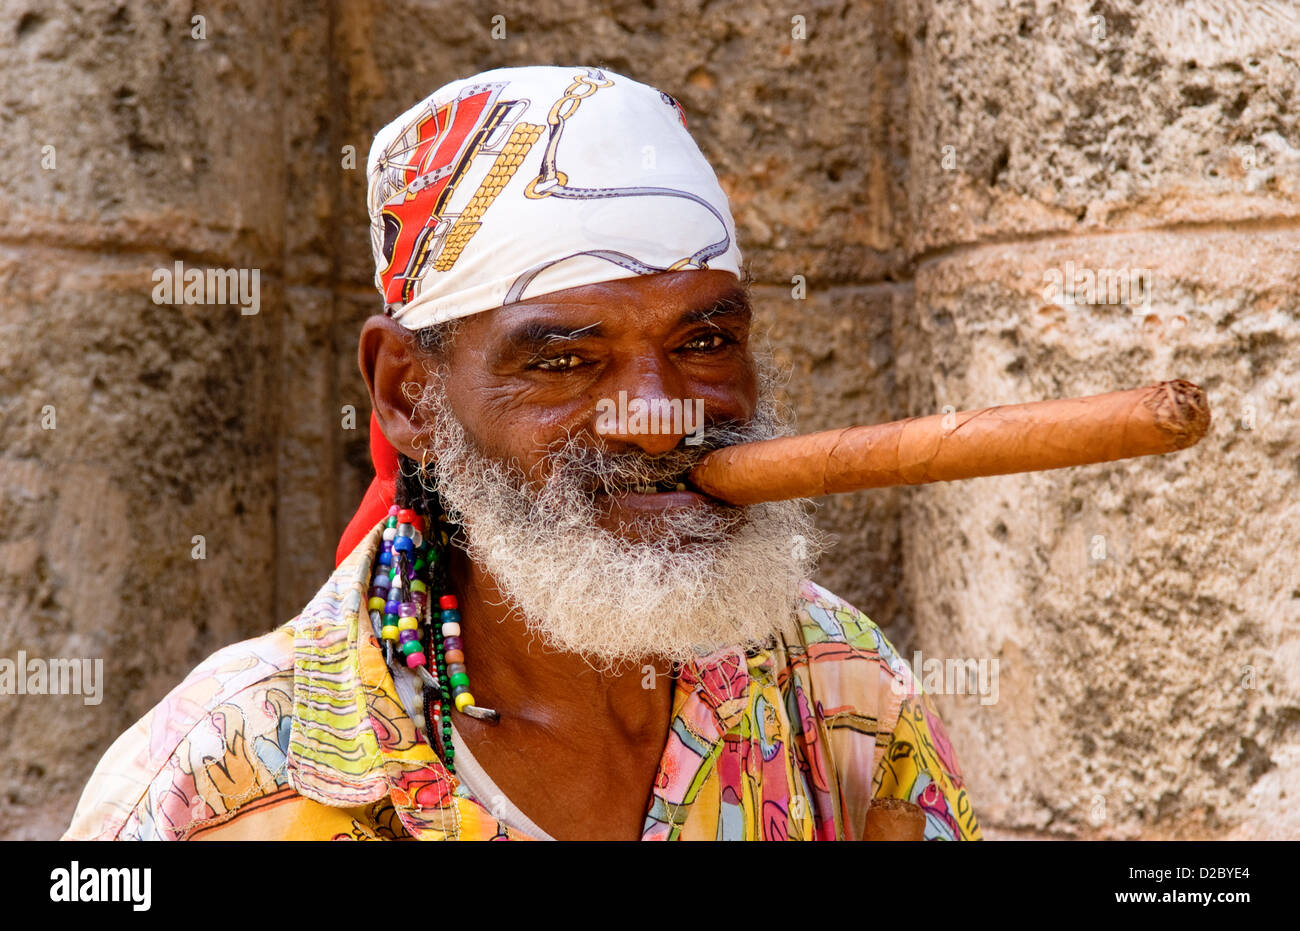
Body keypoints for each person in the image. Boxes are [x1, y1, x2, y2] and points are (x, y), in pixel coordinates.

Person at [63, 65, 980, 841]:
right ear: (406, 395)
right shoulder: (218, 779)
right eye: (566, 361)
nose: (656, 417)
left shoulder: (842, 686)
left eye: (702, 344)